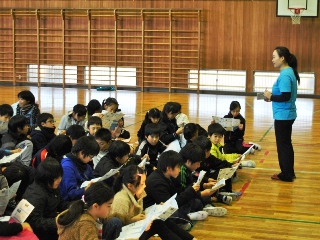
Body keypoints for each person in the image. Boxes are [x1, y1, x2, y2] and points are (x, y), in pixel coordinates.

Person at [110, 165, 197, 240]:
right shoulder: (121, 199)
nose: (145, 185)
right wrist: (133, 220)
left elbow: (140, 214)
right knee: (157, 223)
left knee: (161, 219)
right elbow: (117, 227)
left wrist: (158, 209)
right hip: (129, 235)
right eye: (142, 183)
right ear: (130, 186)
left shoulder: (137, 194)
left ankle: (191, 239)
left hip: (136, 229)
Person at [263, 46, 299, 182]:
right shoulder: (289, 72)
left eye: (274, 56)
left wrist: (271, 96)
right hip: (286, 114)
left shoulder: (285, 74)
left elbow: (285, 96)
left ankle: (286, 174)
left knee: (283, 146)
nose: (272, 59)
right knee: (286, 145)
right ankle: (289, 172)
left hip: (284, 116)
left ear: (282, 58)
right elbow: (284, 95)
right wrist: (271, 97)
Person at [23, 157, 70, 240]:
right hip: (40, 234)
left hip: (51, 226)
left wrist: (73, 207)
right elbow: (35, 223)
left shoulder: (52, 187)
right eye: (56, 178)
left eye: (60, 176)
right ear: (46, 178)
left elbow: (60, 204)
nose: (60, 180)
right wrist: (58, 222)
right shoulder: (35, 194)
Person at [60, 136, 99, 201]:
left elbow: (92, 179)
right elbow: (71, 193)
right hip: (71, 203)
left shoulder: (85, 165)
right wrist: (85, 189)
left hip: (84, 197)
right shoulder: (67, 167)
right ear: (81, 153)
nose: (90, 160)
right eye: (90, 156)